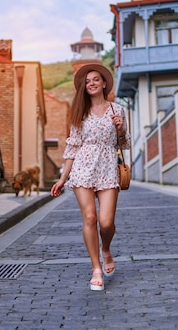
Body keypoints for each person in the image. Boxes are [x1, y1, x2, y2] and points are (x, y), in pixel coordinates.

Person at [50, 63, 130, 291]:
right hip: (83, 169)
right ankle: (96, 268)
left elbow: (124, 144)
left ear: (104, 83)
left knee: (106, 223)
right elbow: (73, 146)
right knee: (90, 218)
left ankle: (106, 249)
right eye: (87, 82)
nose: (91, 83)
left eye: (95, 79)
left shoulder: (117, 110)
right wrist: (63, 178)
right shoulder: (80, 113)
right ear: (84, 88)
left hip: (107, 167)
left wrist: (121, 129)